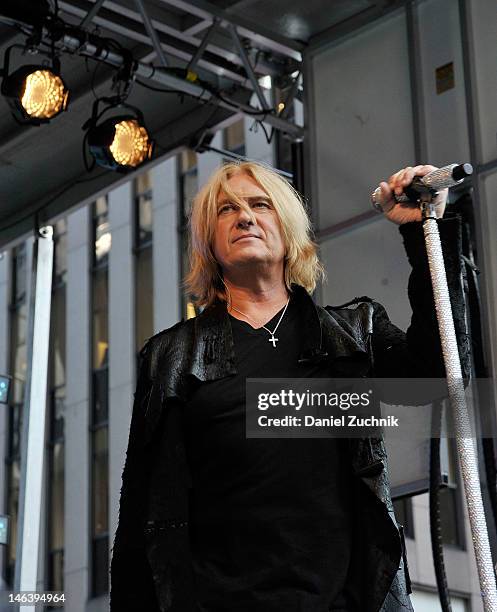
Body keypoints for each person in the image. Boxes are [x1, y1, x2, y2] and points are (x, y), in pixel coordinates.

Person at [110, 161, 470, 612]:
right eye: (226, 210)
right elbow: (141, 512)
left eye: (259, 205)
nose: (244, 217)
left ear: (288, 228)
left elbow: (439, 374)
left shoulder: (354, 331)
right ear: (209, 243)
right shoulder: (172, 356)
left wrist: (426, 232)